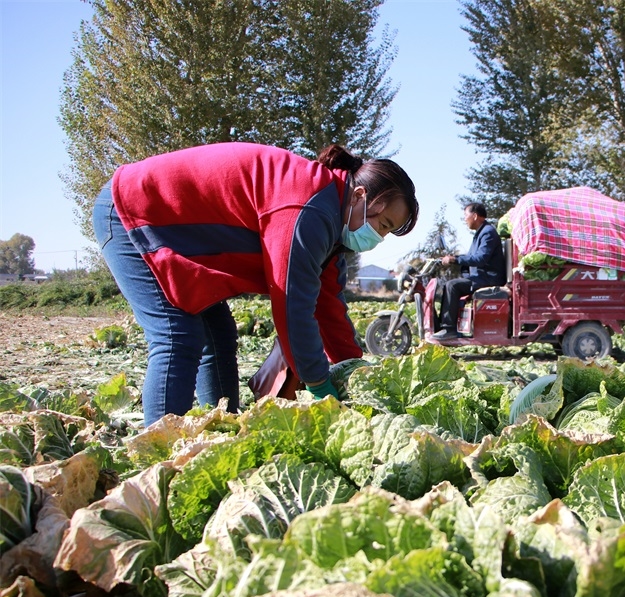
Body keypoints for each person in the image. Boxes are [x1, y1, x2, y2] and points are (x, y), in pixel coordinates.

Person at [93, 142, 418, 426]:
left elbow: (329, 306)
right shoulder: (310, 208)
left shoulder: (331, 228)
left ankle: (221, 428)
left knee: (218, 335)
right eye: (383, 223)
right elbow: (293, 307)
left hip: (177, 235)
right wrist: (320, 385)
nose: (379, 237)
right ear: (360, 195)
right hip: (132, 211)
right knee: (178, 336)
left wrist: (354, 373)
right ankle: (158, 459)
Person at [430, 202, 506, 340]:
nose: (465, 219)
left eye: (466, 215)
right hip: (482, 277)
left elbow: (480, 258)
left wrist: (454, 260)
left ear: (475, 216)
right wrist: (455, 258)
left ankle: (449, 329)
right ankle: (444, 326)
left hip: (489, 279)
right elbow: (472, 257)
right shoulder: (481, 233)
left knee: (452, 286)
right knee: (449, 284)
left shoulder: (487, 232)